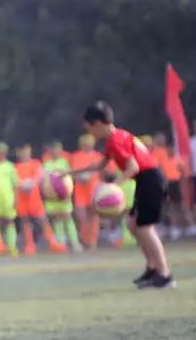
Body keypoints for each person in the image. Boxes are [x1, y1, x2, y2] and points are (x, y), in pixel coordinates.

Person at [74, 102, 173, 289]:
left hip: (151, 180)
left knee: (145, 228)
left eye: (89, 127)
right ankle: (152, 268)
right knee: (133, 224)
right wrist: (70, 172)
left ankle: (165, 274)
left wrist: (113, 187)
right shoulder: (115, 138)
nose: (89, 133)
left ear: (98, 123)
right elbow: (100, 166)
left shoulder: (116, 139)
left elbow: (133, 167)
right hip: (146, 180)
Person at [70, 133, 103, 249]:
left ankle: (92, 241)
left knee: (94, 216)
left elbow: (100, 171)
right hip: (80, 189)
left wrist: (91, 175)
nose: (87, 146)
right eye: (85, 144)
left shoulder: (97, 156)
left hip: (94, 188)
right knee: (81, 216)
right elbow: (74, 171)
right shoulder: (76, 156)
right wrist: (80, 176)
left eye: (89, 144)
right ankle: (84, 239)